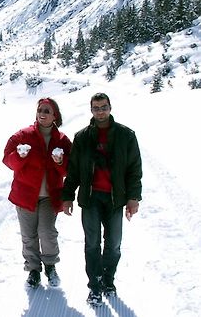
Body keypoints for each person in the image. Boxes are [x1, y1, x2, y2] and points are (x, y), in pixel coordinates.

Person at [61, 92, 142, 306]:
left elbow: (134, 170)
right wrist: (68, 196)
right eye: (96, 108)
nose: (100, 111)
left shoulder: (126, 135)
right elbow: (74, 170)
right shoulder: (82, 137)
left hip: (116, 199)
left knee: (114, 244)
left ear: (110, 107)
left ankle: (108, 280)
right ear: (91, 110)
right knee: (92, 244)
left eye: (103, 107)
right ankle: (95, 286)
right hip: (91, 198)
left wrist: (133, 198)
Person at [2, 97, 72, 288]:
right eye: (40, 110)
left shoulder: (63, 140)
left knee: (47, 232)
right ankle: (33, 269)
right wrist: (19, 156)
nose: (42, 113)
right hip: (25, 195)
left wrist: (60, 162)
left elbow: (70, 170)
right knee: (29, 234)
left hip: (50, 196)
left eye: (47, 111)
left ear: (55, 115)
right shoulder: (22, 135)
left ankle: (50, 266)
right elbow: (8, 161)